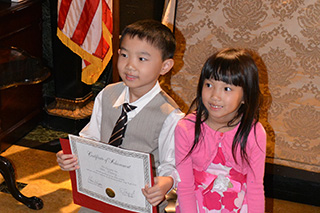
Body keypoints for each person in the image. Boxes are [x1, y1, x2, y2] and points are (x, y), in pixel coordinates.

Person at [56, 19, 184, 212]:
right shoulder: (107, 94)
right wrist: (71, 156)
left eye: (142, 59)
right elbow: (90, 138)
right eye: (124, 55)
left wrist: (166, 182)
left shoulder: (170, 115)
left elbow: (171, 165)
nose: (129, 66)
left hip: (141, 200)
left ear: (165, 66)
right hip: (100, 192)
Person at [174, 48, 267, 213]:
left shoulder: (254, 133)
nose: (215, 96)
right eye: (209, 85)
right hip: (195, 206)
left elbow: (255, 188)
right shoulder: (186, 128)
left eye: (227, 89)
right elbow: (185, 186)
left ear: (246, 96)